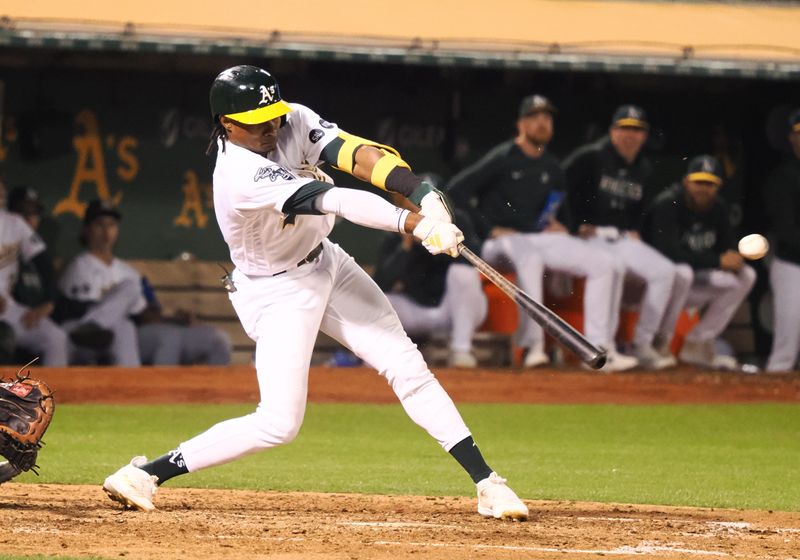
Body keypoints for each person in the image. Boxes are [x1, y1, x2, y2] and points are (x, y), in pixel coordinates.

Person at [102, 65, 528, 520]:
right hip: (277, 291)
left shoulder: (291, 119)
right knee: (279, 424)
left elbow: (359, 156)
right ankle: (145, 474)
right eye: (255, 119)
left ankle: (487, 482)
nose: (271, 126)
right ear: (226, 124)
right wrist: (414, 224)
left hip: (325, 260)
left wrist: (422, 193)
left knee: (407, 365)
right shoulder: (239, 174)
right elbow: (336, 199)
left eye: (273, 114)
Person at [447, 94, 636, 371]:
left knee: (605, 263)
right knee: (530, 257)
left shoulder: (553, 167)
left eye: (546, 118)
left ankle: (598, 348)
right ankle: (530, 347)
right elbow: (456, 191)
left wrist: (564, 227)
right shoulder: (504, 157)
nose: (541, 123)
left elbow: (565, 214)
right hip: (501, 244)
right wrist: (488, 229)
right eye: (534, 117)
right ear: (521, 124)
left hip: (538, 239)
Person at [563, 105, 685, 369]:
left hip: (621, 238)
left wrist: (638, 229)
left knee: (666, 271)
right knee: (610, 268)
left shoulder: (643, 168)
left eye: (637, 130)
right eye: (625, 128)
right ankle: (597, 349)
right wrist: (571, 225)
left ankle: (643, 344)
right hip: (588, 236)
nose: (630, 135)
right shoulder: (590, 157)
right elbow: (560, 188)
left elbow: (644, 210)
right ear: (612, 131)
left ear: (644, 136)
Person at [644, 155, 755, 370]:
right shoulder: (668, 203)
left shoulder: (719, 209)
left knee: (746, 275)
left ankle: (698, 341)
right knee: (682, 272)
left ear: (718, 186)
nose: (703, 189)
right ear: (686, 181)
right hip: (663, 288)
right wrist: (717, 260)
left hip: (696, 283)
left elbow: (727, 248)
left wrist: (735, 257)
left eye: (710, 183)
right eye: (699, 182)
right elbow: (668, 253)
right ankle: (659, 343)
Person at [374, 206, 487, 368]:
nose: (421, 216)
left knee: (462, 273)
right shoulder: (395, 233)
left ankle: (461, 350)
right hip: (418, 311)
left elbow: (475, 262)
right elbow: (381, 283)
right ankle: (378, 359)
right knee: (381, 300)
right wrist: (406, 248)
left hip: (457, 310)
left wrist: (443, 245)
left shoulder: (456, 222)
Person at [55, 200, 147, 366]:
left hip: (109, 331)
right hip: (77, 330)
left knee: (125, 326)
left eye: (111, 225)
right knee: (125, 308)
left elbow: (141, 312)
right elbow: (76, 308)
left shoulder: (128, 271)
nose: (106, 231)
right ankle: (93, 325)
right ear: (86, 230)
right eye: (100, 224)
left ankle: (133, 387)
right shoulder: (79, 265)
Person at [0, 181, 68, 366]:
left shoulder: (14, 223)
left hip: (6, 310)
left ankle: (55, 394)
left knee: (55, 338)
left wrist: (49, 301)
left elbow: (44, 262)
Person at [763, 109, 800, 372]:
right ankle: (770, 393)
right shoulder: (783, 176)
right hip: (791, 264)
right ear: (791, 138)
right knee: (786, 346)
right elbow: (786, 230)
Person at [137, 276, 233, 366]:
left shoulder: (139, 281)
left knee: (218, 338)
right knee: (170, 336)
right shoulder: (128, 283)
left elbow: (154, 312)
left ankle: (217, 381)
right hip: (136, 335)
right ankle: (164, 381)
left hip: (165, 328)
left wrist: (177, 320)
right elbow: (142, 317)